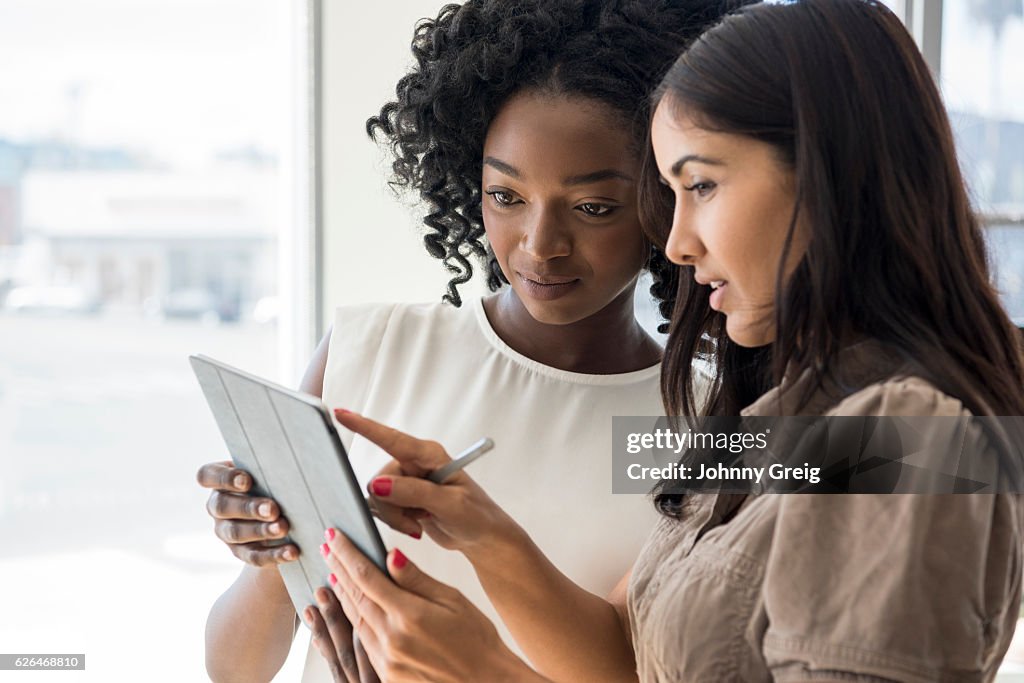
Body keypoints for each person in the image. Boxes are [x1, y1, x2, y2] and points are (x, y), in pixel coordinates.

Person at [319, 1, 1024, 681]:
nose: (678, 243)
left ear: (828, 176)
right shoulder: (786, 411)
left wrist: (484, 672)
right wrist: (481, 532)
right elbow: (632, 653)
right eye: (671, 194)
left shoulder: (909, 441)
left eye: (702, 185)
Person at [195, 1, 748, 681]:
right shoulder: (370, 350)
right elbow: (233, 668)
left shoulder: (714, 426)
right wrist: (272, 555)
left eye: (593, 207)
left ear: (665, 201)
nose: (539, 245)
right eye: (506, 196)